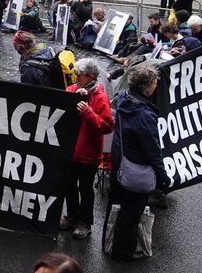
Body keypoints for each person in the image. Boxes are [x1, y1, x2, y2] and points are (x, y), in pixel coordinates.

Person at [109, 63, 169, 260]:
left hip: (119, 161)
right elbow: (152, 148)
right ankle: (123, 252)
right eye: (154, 83)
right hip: (135, 168)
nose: (156, 86)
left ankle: (110, 244)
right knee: (131, 213)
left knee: (117, 207)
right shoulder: (143, 113)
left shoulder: (125, 98)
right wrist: (162, 174)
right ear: (146, 87)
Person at [60, 59, 113, 239]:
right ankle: (72, 216)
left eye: (79, 76)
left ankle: (85, 222)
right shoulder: (74, 89)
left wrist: (89, 113)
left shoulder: (100, 97)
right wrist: (74, 97)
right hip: (70, 150)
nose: (76, 78)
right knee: (69, 186)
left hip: (88, 153)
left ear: (90, 77)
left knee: (85, 189)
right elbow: (60, 106)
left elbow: (107, 126)